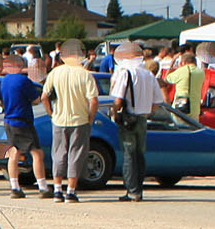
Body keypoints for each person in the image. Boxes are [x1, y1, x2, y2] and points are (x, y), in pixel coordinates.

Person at [40, 38, 99, 202]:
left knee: (58, 154)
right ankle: (71, 191)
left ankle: (57, 190)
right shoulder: (85, 75)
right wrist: (91, 117)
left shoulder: (55, 73)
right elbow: (93, 100)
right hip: (80, 119)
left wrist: (51, 112)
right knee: (76, 154)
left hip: (59, 119)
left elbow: (44, 96)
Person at [110, 40, 159, 201]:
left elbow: (117, 100)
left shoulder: (125, 73)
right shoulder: (149, 74)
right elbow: (157, 102)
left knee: (129, 155)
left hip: (128, 118)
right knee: (140, 155)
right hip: (143, 118)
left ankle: (132, 190)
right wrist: (146, 112)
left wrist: (114, 112)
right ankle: (139, 188)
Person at [0, 52, 46, 197]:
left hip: (8, 120)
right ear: (19, 65)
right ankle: (43, 187)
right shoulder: (24, 81)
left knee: (14, 153)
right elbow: (36, 100)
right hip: (23, 121)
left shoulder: (4, 81)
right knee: (37, 153)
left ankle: (15, 187)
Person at [166, 48, 206, 119]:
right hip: (195, 108)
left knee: (179, 127)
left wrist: (172, 63)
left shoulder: (181, 71)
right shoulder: (201, 72)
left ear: (183, 62)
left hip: (180, 106)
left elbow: (167, 79)